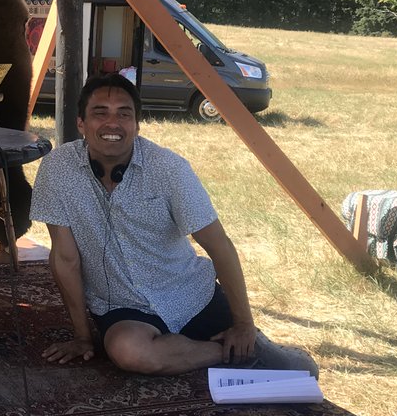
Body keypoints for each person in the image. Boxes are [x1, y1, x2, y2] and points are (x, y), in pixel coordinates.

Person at [30, 73, 317, 377]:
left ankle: (246, 346)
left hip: (190, 295)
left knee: (299, 372)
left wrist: (244, 324)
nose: (112, 123)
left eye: (124, 114)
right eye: (100, 113)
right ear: (81, 123)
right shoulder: (57, 169)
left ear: (137, 125)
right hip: (122, 307)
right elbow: (65, 258)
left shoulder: (168, 169)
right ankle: (230, 354)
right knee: (129, 352)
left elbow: (218, 245)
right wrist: (83, 337)